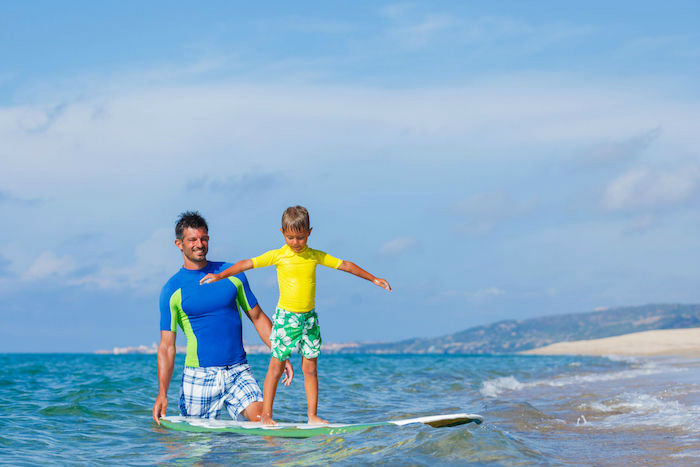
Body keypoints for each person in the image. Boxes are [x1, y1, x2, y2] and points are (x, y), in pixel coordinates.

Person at [200, 205, 391, 425]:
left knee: (310, 368)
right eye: (290, 237)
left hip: (309, 319)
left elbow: (346, 265)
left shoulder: (314, 256)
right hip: (286, 319)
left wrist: (373, 278)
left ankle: (312, 416)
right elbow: (246, 264)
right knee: (276, 366)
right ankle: (267, 416)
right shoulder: (279, 255)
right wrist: (220, 276)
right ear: (282, 232)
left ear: (309, 232)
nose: (295, 242)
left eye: (300, 237)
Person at [152, 211, 293, 425]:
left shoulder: (232, 273)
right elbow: (166, 347)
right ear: (179, 244)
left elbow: (257, 317)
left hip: (238, 370)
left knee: (263, 422)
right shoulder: (172, 289)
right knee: (199, 450)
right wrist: (162, 393)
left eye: (204, 238)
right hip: (199, 376)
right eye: (193, 240)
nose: (200, 244)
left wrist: (280, 352)